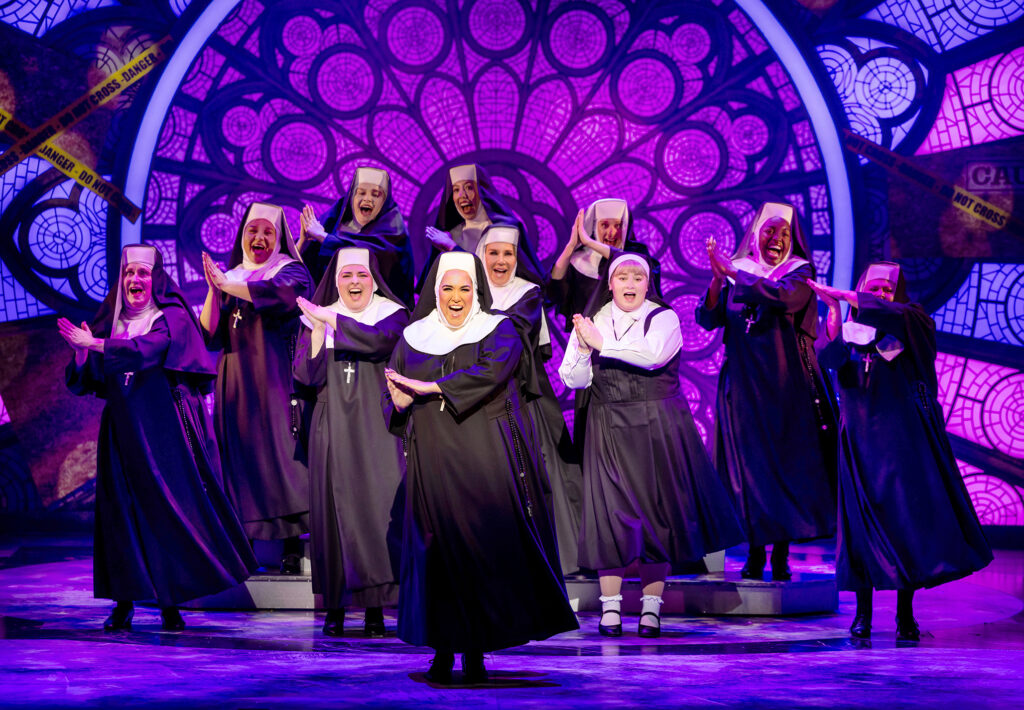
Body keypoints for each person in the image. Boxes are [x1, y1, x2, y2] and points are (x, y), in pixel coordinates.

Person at [383, 251, 578, 683]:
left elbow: (492, 372)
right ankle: (441, 649)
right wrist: (396, 404)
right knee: (436, 552)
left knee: (479, 549)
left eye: (464, 289)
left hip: (482, 454)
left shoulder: (497, 329)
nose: (456, 298)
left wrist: (432, 387)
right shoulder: (414, 335)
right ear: (436, 292)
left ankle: (475, 651)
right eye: (448, 289)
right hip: (432, 456)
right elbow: (395, 386)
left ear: (477, 292)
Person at [59, 245, 257, 631]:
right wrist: (82, 354)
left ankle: (171, 602)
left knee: (166, 510)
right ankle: (123, 602)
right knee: (120, 514)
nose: (135, 280)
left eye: (143, 273)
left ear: (156, 279)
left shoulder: (171, 317)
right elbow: (86, 379)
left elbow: (146, 351)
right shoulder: (110, 322)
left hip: (162, 429)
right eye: (129, 273)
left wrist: (93, 345)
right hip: (120, 430)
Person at [560, 252, 744, 637]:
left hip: (655, 426)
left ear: (647, 283)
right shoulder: (595, 320)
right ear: (610, 283)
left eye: (637, 277)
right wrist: (583, 350)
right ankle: (610, 608)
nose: (630, 284)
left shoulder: (664, 317)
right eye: (622, 277)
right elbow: (574, 380)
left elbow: (652, 356)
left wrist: (600, 343)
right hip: (607, 425)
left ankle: (650, 607)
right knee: (610, 516)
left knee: (653, 518)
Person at [809, 262, 993, 641]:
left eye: (886, 289)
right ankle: (862, 614)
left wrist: (851, 297)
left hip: (900, 444)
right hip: (858, 443)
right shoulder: (852, 330)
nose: (879, 295)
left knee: (904, 525)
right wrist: (834, 311)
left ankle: (905, 615)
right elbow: (829, 360)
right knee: (859, 530)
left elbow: (898, 315)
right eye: (872, 288)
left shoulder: (912, 322)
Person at [696, 201, 836, 580]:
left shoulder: (799, 273)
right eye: (770, 231)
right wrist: (717, 280)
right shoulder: (738, 271)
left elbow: (783, 297)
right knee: (749, 471)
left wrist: (733, 274)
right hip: (743, 387)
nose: (776, 238)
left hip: (786, 386)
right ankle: (756, 552)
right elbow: (708, 319)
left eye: (784, 233)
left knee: (784, 469)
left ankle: (781, 554)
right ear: (756, 234)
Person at [292, 248, 409, 637]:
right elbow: (306, 376)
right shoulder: (318, 317)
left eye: (361, 275)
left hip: (377, 425)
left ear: (373, 280)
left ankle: (375, 606)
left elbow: (378, 342)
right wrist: (316, 333)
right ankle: (335, 605)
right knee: (332, 512)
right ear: (337, 281)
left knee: (376, 510)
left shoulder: (392, 315)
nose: (354, 282)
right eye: (346, 276)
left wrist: (330, 320)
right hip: (331, 423)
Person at [200, 202, 314, 574]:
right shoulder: (230, 276)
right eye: (253, 230)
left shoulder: (290, 270)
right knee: (240, 459)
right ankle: (244, 542)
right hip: (236, 382)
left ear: (279, 238)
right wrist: (214, 289)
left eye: (268, 231)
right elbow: (209, 334)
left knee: (283, 457)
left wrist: (227, 284)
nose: (259, 237)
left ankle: (291, 544)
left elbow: (281, 295)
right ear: (242, 236)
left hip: (276, 380)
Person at [476, 225, 584, 576]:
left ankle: (552, 559)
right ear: (481, 255)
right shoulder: (466, 290)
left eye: (508, 253)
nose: (501, 260)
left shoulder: (528, 293)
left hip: (523, 394)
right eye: (493, 253)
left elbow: (520, 335)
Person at [297, 166, 415, 307]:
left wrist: (324, 238)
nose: (368, 199)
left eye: (376, 194)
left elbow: (370, 255)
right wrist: (303, 242)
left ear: (385, 200)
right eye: (361, 192)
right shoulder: (336, 216)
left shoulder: (393, 228)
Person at [547, 198, 659, 332]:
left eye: (618, 226)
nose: (612, 233)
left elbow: (625, 262)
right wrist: (570, 246)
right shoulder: (579, 261)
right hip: (584, 339)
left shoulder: (638, 256)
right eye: (605, 225)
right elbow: (554, 291)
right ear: (594, 226)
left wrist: (589, 242)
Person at [421, 163, 542, 283]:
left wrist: (452, 247)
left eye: (469, 188)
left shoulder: (505, 230)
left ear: (482, 190)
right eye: (456, 190)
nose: (462, 195)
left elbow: (493, 278)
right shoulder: (451, 234)